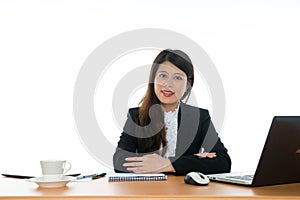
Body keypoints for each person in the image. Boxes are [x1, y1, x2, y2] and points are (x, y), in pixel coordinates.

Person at [113, 49, 231, 175]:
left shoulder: (199, 117)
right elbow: (120, 161)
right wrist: (194, 160)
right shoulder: (136, 116)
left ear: (187, 84)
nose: (168, 84)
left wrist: (168, 165)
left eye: (177, 78)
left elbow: (223, 162)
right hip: (147, 191)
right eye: (163, 75)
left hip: (185, 192)